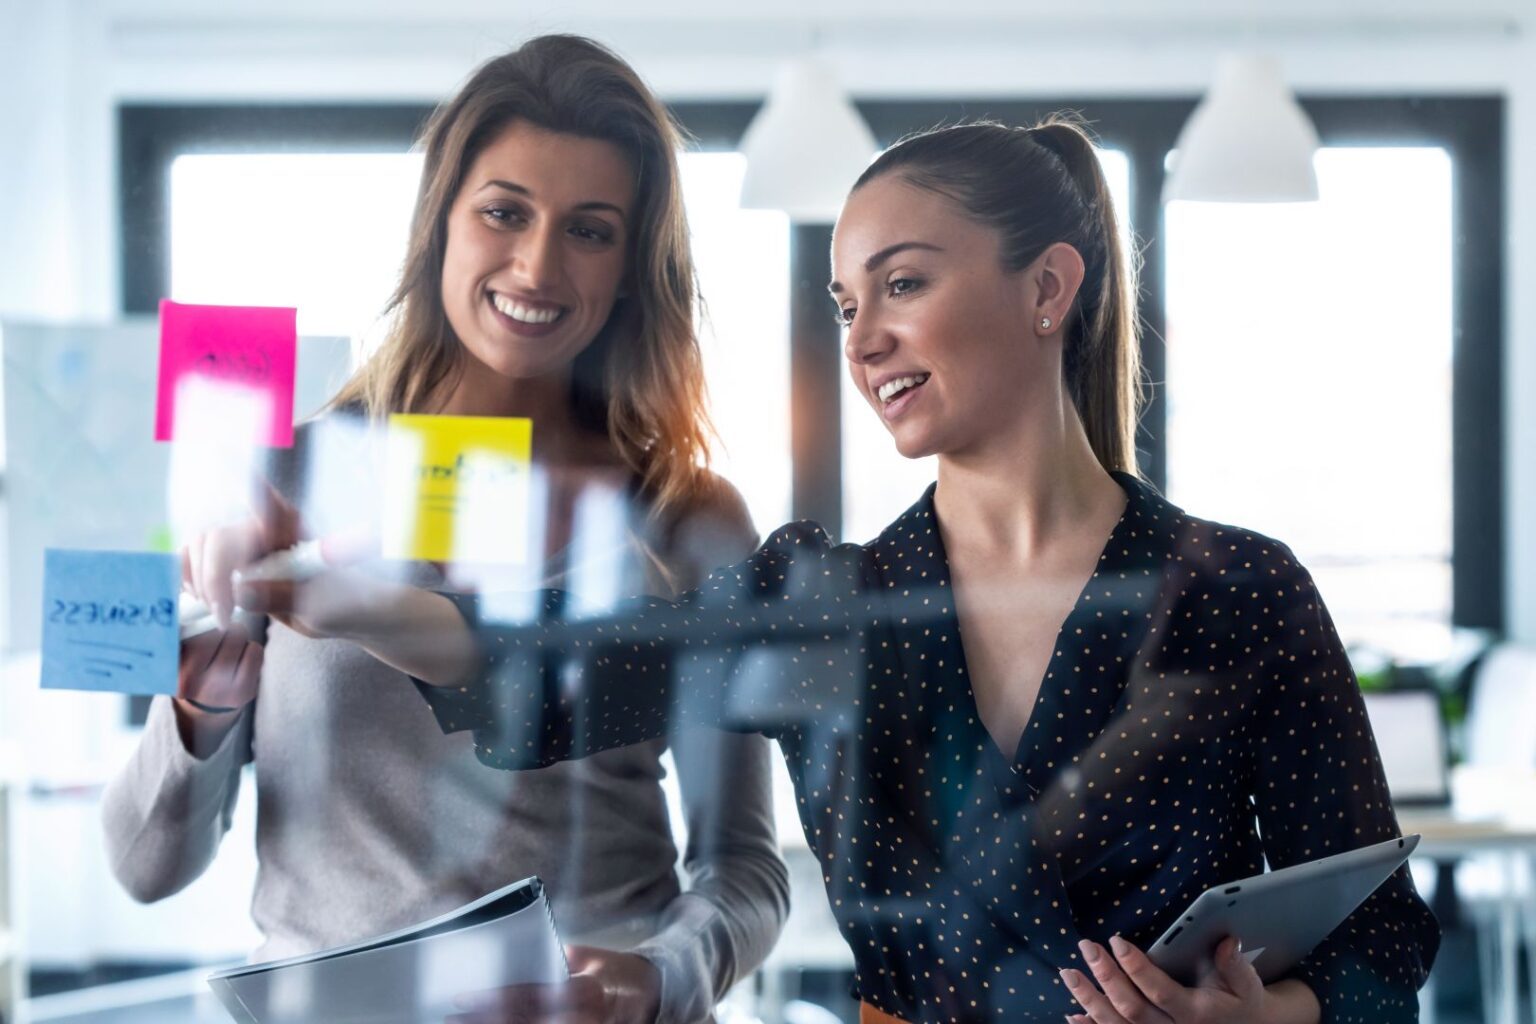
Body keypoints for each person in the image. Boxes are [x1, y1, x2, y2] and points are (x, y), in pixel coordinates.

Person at [252, 118, 1439, 1023]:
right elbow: (548, 669)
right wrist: (315, 592)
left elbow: (1385, 940)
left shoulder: (1238, 590)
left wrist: (1270, 1016)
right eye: (844, 301)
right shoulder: (824, 607)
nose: (864, 337)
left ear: (1047, 288)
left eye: (905, 284)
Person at [100, 34, 788, 1024]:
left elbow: (745, 871)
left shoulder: (686, 517)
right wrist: (200, 713)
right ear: (441, 227)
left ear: (633, 266)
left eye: (590, 230)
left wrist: (661, 977)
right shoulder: (279, 481)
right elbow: (143, 866)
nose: (538, 264)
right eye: (505, 212)